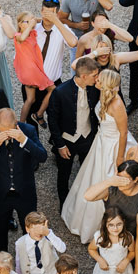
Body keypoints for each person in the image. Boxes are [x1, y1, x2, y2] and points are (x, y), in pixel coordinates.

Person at [62, 69, 135, 242]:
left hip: (113, 145)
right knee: (91, 176)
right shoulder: (103, 95)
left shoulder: (117, 104)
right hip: (101, 141)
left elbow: (123, 133)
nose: (96, 80)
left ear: (106, 83)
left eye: (99, 79)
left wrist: (119, 158)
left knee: (107, 180)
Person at [0, 109, 48, 251]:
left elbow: (42, 156)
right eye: (3, 131)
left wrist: (24, 140)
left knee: (30, 230)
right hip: (1, 193)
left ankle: (30, 260)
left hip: (25, 192)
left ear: (16, 123)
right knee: (0, 230)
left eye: (11, 130)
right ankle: (1, 262)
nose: (7, 135)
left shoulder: (28, 130)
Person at [46, 57, 101, 207]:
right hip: (67, 140)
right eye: (94, 75)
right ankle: (64, 203)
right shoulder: (60, 92)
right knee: (64, 173)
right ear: (84, 76)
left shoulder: (96, 88)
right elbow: (52, 120)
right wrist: (60, 145)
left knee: (87, 170)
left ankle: (85, 202)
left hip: (88, 137)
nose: (97, 78)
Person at [24, 0, 77, 123]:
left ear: (57, 13)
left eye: (51, 13)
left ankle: (55, 141)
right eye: (45, 12)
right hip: (32, 82)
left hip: (52, 82)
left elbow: (74, 42)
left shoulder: (62, 30)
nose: (47, 16)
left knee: (57, 118)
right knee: (30, 118)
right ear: (41, 11)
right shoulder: (33, 28)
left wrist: (57, 22)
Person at [82, 160, 138, 237]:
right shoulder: (112, 189)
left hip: (133, 237)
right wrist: (109, 181)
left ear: (135, 179)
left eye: (124, 179)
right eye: (119, 178)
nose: (119, 182)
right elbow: (88, 196)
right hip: (111, 234)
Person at [12, 12, 56, 126]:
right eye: (27, 21)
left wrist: (35, 19)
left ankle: (20, 124)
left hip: (30, 71)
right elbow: (22, 37)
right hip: (31, 71)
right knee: (52, 89)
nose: (31, 23)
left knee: (30, 99)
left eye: (31, 20)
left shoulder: (32, 33)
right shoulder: (18, 36)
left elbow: (38, 20)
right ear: (20, 25)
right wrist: (30, 24)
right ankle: (39, 114)